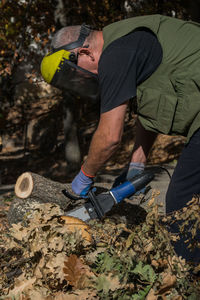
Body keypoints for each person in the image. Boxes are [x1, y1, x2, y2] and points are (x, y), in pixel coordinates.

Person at [41, 15, 200, 263]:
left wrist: (83, 179)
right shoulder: (126, 42)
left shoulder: (116, 54)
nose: (83, 80)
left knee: (182, 200)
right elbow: (148, 115)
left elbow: (109, 137)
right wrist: (136, 165)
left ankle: (188, 280)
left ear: (85, 52)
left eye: (78, 74)